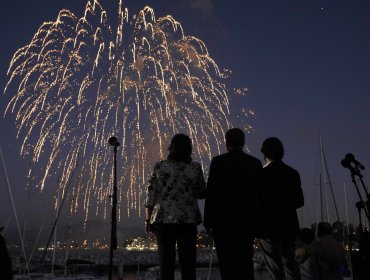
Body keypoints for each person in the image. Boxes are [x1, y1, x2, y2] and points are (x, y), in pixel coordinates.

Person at [144, 133, 206, 280]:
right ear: (189, 149)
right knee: (189, 264)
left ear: (171, 148)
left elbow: (151, 195)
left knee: (166, 263)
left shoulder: (160, 166)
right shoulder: (195, 168)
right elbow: (202, 193)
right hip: (188, 220)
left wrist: (148, 220)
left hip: (163, 220)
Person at [203, 128, 263, 279]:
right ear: (243, 143)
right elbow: (260, 195)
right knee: (245, 262)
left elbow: (212, 193)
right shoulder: (255, 163)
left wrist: (208, 221)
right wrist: (259, 222)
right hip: (247, 221)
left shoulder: (218, 162)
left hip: (223, 223)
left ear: (226, 142)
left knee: (226, 263)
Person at [258, 137, 304, 280]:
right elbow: (299, 201)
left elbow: (259, 202)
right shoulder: (293, 173)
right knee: (291, 264)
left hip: (269, 227)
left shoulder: (262, 174)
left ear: (264, 153)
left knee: (275, 268)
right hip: (289, 225)